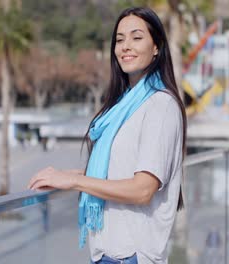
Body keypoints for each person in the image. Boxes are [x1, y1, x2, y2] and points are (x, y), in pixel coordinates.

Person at [27, 6, 187, 264]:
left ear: (156, 47)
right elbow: (117, 172)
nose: (126, 46)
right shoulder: (122, 107)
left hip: (132, 256)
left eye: (136, 38)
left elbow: (142, 189)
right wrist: (70, 176)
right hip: (107, 254)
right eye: (119, 40)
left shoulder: (160, 106)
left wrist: (77, 183)